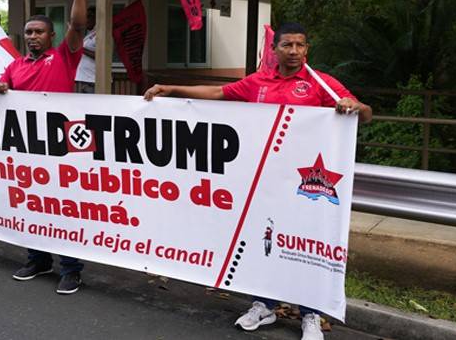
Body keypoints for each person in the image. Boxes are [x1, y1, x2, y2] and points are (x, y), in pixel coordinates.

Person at [144, 22, 372, 340]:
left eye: (300, 45)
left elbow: (365, 113)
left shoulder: (321, 83)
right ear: (275, 49)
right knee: (265, 243)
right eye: (287, 45)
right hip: (264, 179)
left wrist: (353, 106)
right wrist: (171, 89)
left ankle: (310, 314)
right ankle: (264, 305)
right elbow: (218, 93)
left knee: (302, 245)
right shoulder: (259, 81)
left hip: (307, 185)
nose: (294, 51)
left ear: (307, 49)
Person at [0, 0, 87, 295]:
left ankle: (72, 268)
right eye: (28, 32)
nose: (32, 36)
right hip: (26, 149)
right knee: (31, 204)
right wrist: (1, 86)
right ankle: (38, 259)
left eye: (39, 32)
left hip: (60, 148)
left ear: (52, 36)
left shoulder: (65, 56)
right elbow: (2, 84)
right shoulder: (15, 65)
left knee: (63, 208)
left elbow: (78, 23)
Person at [75, 6, 97, 93]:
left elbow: (101, 56)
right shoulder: (89, 33)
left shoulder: (101, 33)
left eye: (89, 16)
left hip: (93, 80)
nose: (86, 20)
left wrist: (80, 48)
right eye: (85, 17)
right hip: (84, 78)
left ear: (97, 17)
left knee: (93, 106)